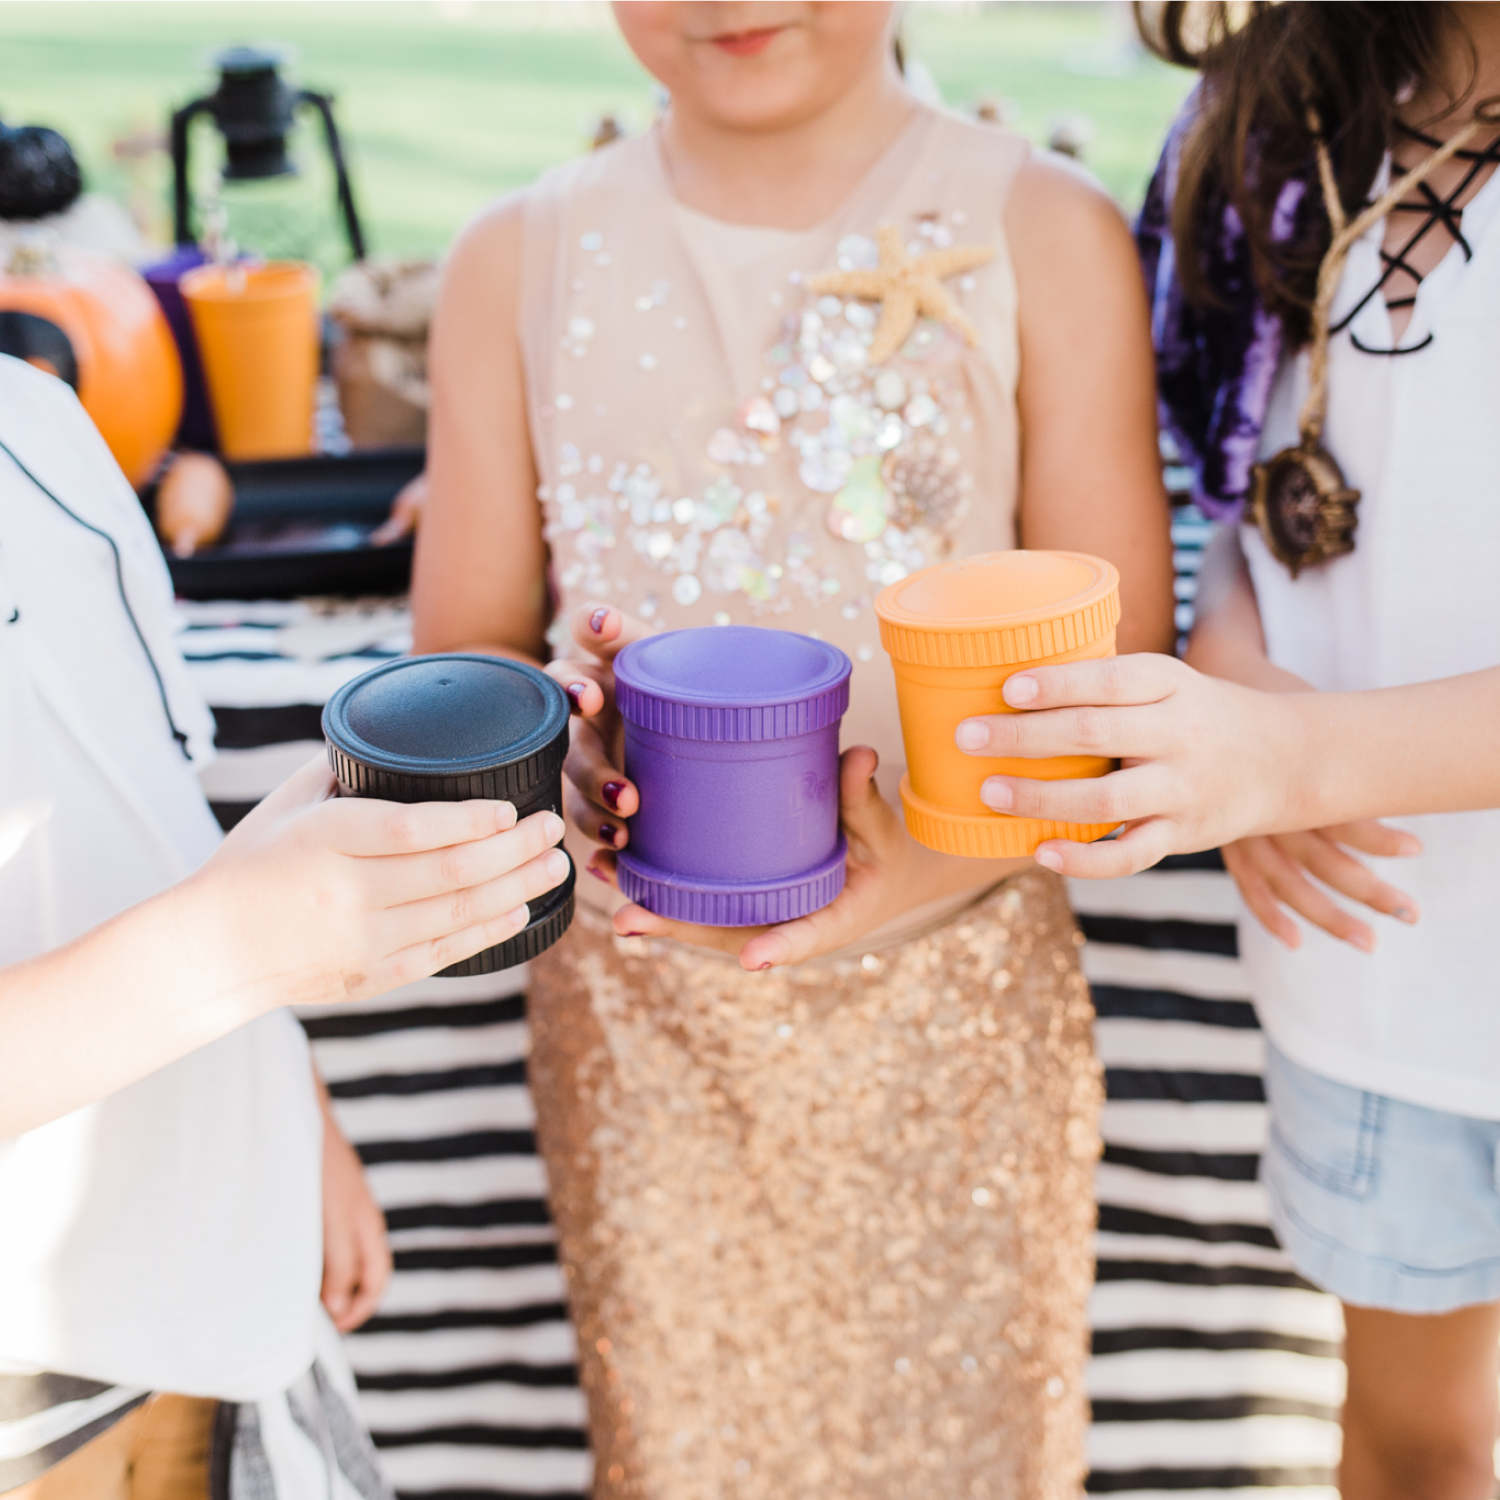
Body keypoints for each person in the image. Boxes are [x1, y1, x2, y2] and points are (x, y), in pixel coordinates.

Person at [410, 2, 1175, 1492]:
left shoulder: (1045, 227)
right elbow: (472, 655)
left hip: (961, 1012)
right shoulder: (514, 257)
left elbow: (1118, 665)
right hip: (642, 1027)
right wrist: (554, 756)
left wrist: (924, 858)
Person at [958, 4, 1500, 1495]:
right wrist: (1233, 670)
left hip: (1344, 847)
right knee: (1423, 1441)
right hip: (1379, 965)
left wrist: (1296, 760)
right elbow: (1245, 500)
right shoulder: (1271, 122)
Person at [0, 352, 570, 1498]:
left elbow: (155, 810)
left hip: (222, 1314)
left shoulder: (36, 416)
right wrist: (235, 950)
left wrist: (285, 1102)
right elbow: (211, 928)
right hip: (38, 1396)